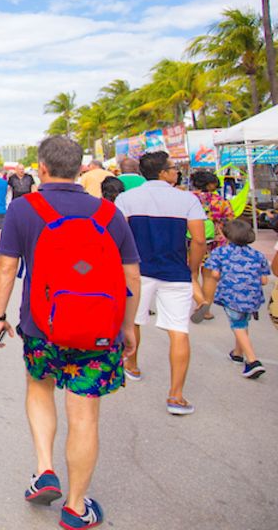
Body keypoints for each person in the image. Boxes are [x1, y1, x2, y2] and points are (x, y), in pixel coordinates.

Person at [0, 135, 141, 529]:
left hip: (42, 328)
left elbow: (6, 267)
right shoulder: (110, 214)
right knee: (85, 415)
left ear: (42, 168)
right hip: (99, 333)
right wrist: (128, 326)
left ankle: (45, 469)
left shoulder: (25, 209)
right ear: (82, 170)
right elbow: (131, 275)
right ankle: (76, 507)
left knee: (39, 388)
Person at [114, 150, 206, 415]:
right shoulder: (186, 199)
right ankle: (176, 396)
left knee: (134, 320)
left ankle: (131, 365)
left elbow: (119, 235)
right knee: (179, 331)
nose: (177, 171)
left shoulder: (127, 198)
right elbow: (199, 240)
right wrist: (192, 270)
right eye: (173, 168)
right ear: (163, 172)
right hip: (175, 272)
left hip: (137, 271)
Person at [203, 219, 268, 379]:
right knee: (244, 322)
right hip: (253, 297)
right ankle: (237, 353)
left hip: (231, 295)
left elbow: (215, 274)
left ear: (226, 235)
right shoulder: (258, 255)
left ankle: (253, 361)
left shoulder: (220, 253)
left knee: (237, 325)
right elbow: (264, 280)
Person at [189, 169, 233, 323]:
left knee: (191, 272)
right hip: (215, 241)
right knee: (209, 275)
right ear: (211, 184)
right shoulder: (221, 201)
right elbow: (230, 220)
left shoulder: (188, 198)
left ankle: (200, 302)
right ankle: (207, 310)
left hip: (191, 239)